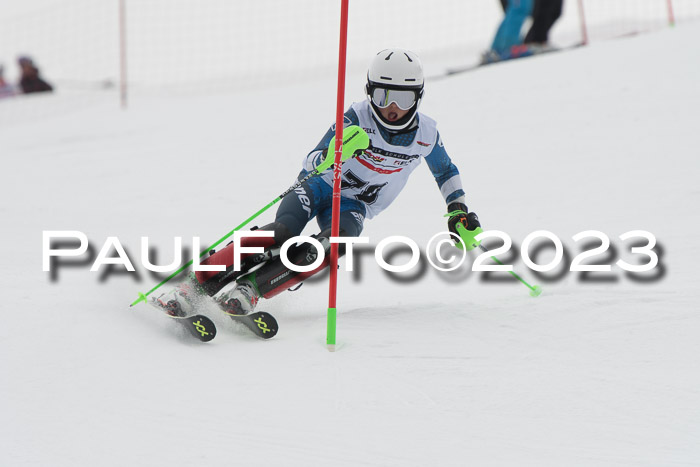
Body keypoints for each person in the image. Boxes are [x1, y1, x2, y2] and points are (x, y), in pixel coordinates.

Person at [155, 48, 481, 318]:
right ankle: (197, 282)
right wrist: (336, 153)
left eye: (402, 98)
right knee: (282, 234)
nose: (392, 108)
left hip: (355, 203)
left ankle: (250, 290)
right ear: (370, 92)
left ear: (418, 97)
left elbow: (446, 171)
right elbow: (312, 159)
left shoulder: (426, 134)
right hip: (318, 186)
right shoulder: (356, 117)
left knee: (333, 245)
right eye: (382, 96)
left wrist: (458, 209)